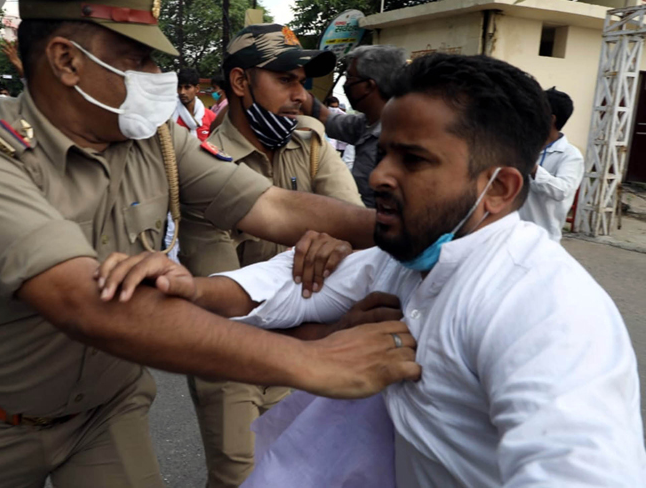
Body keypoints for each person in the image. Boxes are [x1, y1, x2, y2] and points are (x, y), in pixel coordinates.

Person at [0, 0, 419, 486]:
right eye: (138, 59)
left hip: (106, 411)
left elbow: (271, 207)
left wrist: (408, 229)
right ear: (67, 61)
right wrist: (315, 361)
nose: (157, 78)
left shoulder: (154, 140)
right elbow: (83, 302)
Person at [103, 53, 646, 487]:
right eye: (383, 152)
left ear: (500, 189)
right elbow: (278, 289)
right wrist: (190, 287)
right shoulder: (405, 257)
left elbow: (577, 464)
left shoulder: (543, 309)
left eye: (413, 160)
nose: (380, 175)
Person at [177, 23, 363, 488]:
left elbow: (355, 231)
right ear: (240, 83)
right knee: (240, 475)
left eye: (302, 81)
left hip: (307, 343)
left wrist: (340, 241)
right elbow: (225, 291)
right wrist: (322, 243)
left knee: (302, 472)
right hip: (229, 352)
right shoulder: (206, 164)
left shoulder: (311, 142)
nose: (300, 94)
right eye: (285, 80)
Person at [303, 45, 405, 208]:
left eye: (350, 78)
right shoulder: (365, 124)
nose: (346, 84)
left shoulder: (401, 137)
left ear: (369, 86)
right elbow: (327, 119)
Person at [518, 87, 584, 241]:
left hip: (542, 238)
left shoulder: (570, 156)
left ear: (551, 119)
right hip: (510, 233)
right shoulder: (523, 145)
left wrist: (532, 168)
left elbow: (562, 191)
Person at [174, 67, 216, 142]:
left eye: (187, 87)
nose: (182, 92)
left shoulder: (211, 117)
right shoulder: (171, 117)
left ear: (197, 88)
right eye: (179, 87)